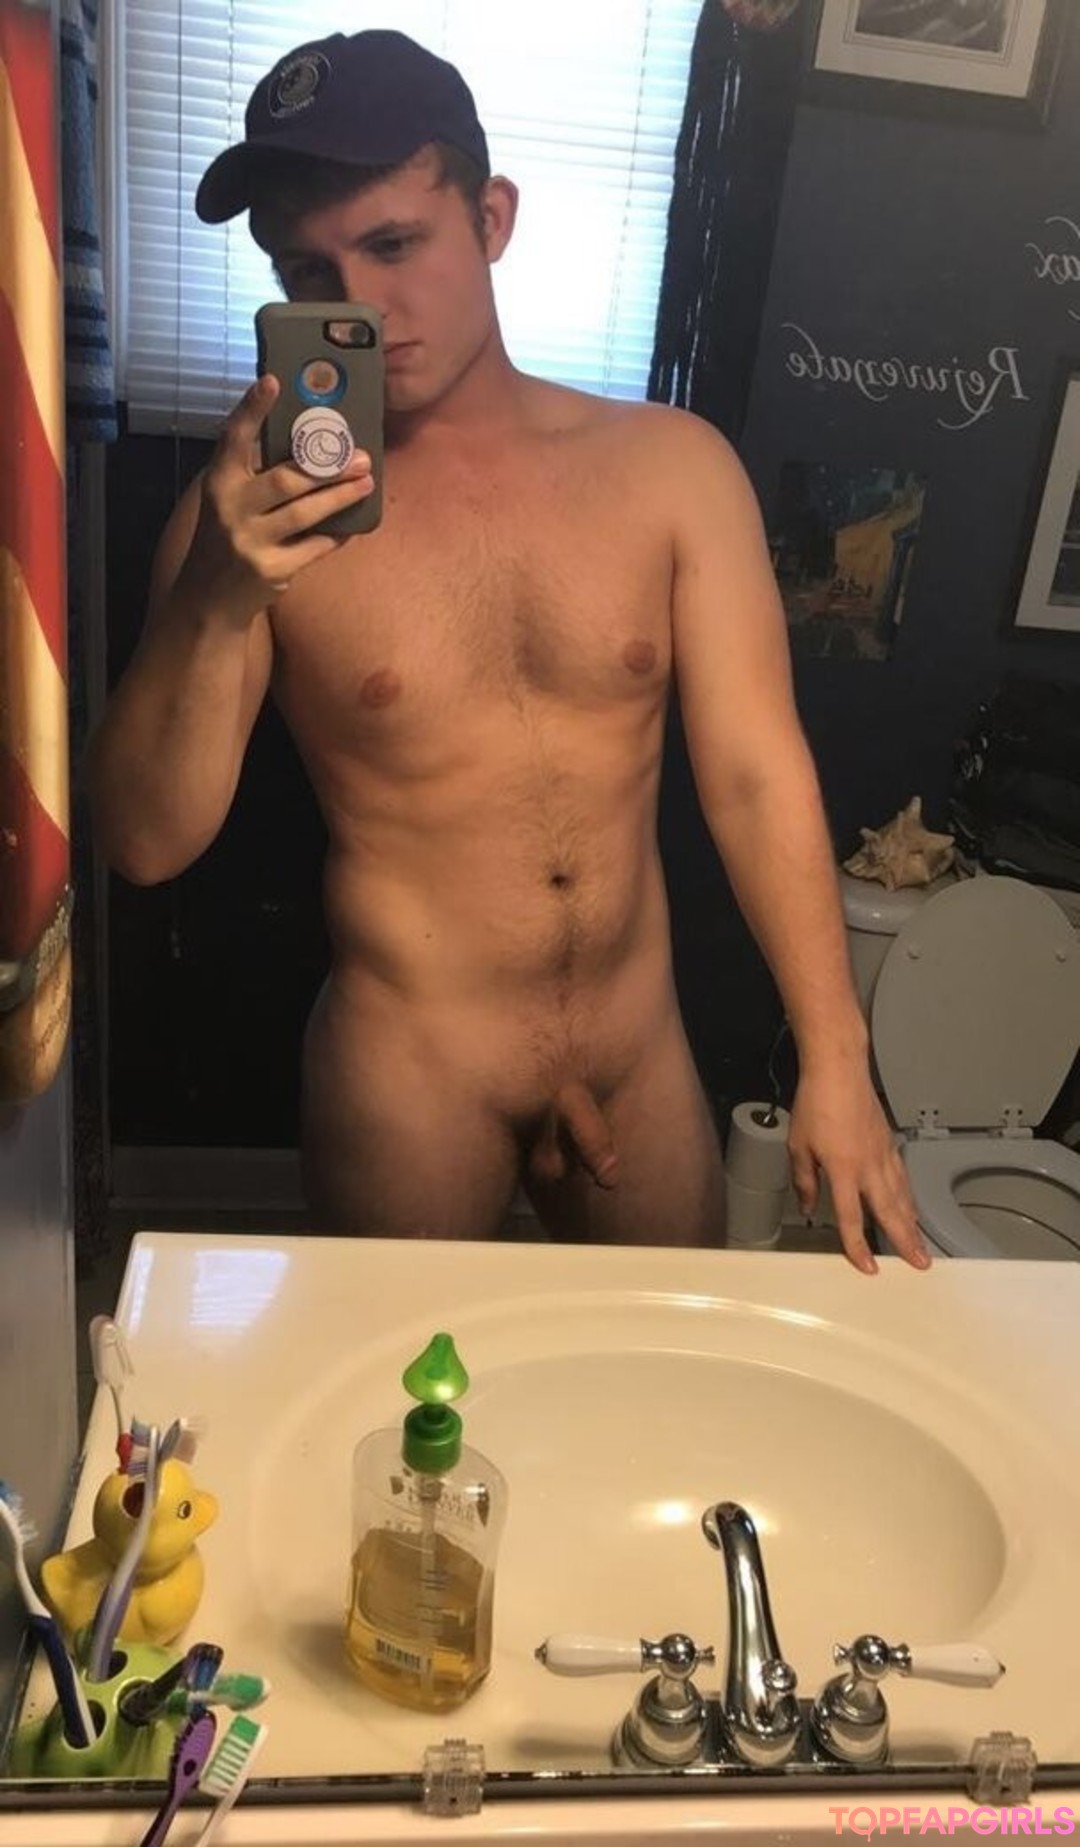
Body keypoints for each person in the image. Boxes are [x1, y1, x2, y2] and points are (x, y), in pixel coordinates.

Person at [86, 29, 929, 1273]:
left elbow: (756, 775)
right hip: (414, 1072)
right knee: (407, 1394)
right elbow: (146, 841)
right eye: (308, 269)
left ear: (491, 219)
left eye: (393, 244)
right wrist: (214, 595)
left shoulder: (673, 469)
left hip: (638, 1053)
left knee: (653, 1377)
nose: (359, 305)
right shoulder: (250, 520)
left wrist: (837, 1059)